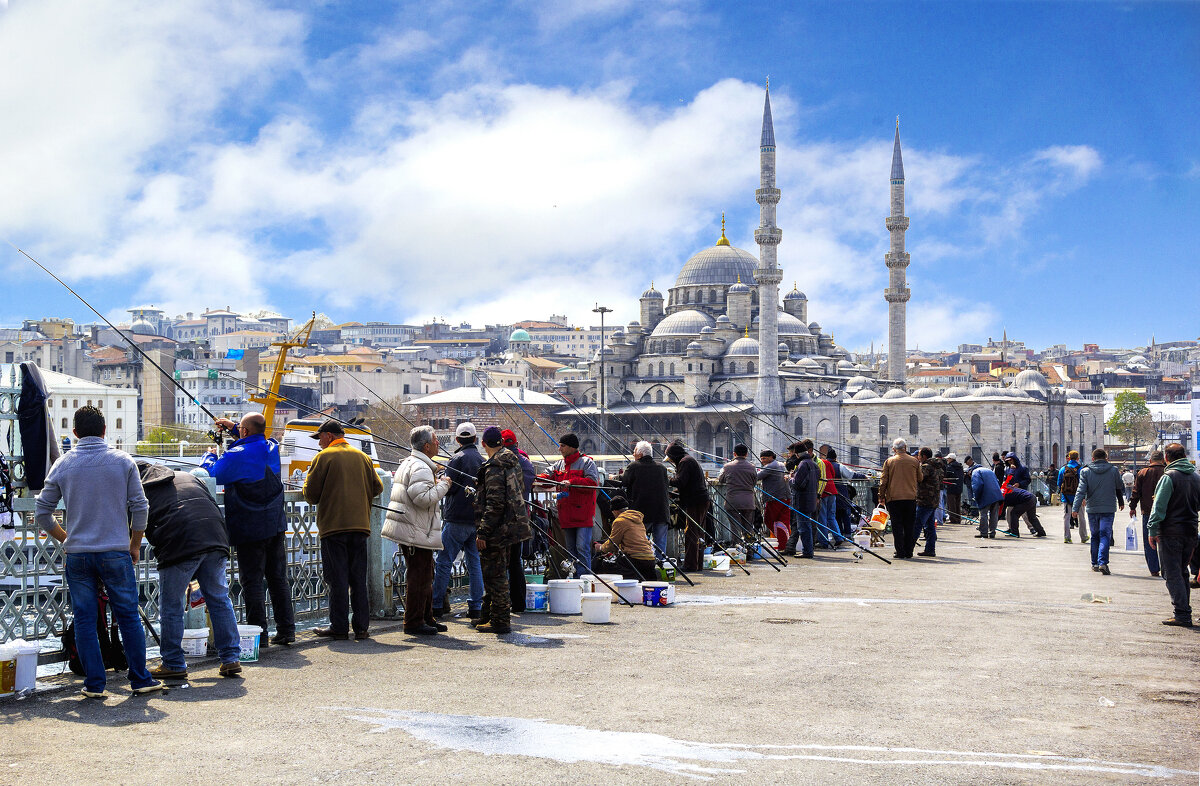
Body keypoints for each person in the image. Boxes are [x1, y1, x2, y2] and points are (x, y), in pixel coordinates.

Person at [35, 406, 161, 698]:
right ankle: (140, 679)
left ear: (75, 433)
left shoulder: (63, 464)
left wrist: (66, 537)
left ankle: (94, 685)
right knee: (128, 615)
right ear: (105, 430)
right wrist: (134, 543)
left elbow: (43, 512)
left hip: (78, 555)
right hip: (115, 552)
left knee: (85, 619)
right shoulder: (122, 461)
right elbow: (141, 506)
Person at [137, 462, 242, 679]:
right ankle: (231, 658)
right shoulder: (187, 476)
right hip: (215, 536)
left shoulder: (139, 488)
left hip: (180, 542)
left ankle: (173, 663)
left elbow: (136, 522)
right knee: (219, 598)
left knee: (172, 605)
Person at [201, 413, 294, 647]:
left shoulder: (236, 455)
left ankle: (259, 636)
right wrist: (235, 428)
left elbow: (213, 474)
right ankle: (286, 630)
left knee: (252, 582)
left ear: (245, 431)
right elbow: (254, 440)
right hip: (274, 525)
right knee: (277, 579)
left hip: (249, 526)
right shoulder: (271, 448)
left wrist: (208, 457)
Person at [303, 420, 384, 640]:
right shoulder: (363, 457)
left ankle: (339, 627)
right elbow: (378, 487)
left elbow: (310, 495)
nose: (319, 443)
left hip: (334, 526)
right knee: (358, 578)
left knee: (337, 578)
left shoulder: (323, 457)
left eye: (320, 438)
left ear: (329, 436)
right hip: (360, 526)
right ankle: (362, 628)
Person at [384, 425, 451, 636]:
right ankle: (414, 621)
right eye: (435, 440)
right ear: (427, 446)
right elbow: (422, 498)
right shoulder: (421, 467)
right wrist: (444, 485)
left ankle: (426, 617)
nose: (439, 443)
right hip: (415, 530)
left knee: (425, 573)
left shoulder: (413, 463)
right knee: (419, 576)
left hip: (413, 527)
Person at [473, 427, 532, 634]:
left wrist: (483, 532)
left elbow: (495, 504)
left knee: (495, 576)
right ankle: (487, 615)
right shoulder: (512, 461)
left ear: (483, 444)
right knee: (496, 572)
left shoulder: (494, 467)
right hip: (513, 526)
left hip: (498, 529)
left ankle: (499, 620)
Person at [432, 422, 485, 620]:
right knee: (474, 563)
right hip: (475, 520)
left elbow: (450, 487)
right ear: (475, 439)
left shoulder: (456, 458)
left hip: (456, 519)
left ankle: (436, 605)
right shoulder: (481, 459)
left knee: (444, 562)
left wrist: (440, 477)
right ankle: (476, 607)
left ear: (457, 440)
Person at [1147, 443, 1200, 627]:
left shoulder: (1169, 477)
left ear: (1167, 459)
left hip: (1170, 532)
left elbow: (1159, 507)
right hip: (1190, 532)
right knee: (1182, 571)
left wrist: (1152, 530)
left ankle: (1182, 614)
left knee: (1171, 573)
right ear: (1184, 455)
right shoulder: (1195, 477)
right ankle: (1184, 611)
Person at [539, 433, 600, 574]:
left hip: (583, 516)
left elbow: (592, 483)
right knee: (571, 551)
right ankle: (575, 581)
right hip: (566, 517)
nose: (560, 449)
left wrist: (572, 482)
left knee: (582, 549)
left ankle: (585, 582)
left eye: (562, 446)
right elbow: (546, 477)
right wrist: (534, 478)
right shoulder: (559, 465)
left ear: (572, 447)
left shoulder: (587, 463)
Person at [1071, 448, 1125, 575]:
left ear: (1093, 458)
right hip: (1108, 508)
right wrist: (1121, 502)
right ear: (1106, 458)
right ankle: (1103, 562)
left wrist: (1075, 508)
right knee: (1105, 535)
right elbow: (1119, 487)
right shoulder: (1114, 470)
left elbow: (1080, 491)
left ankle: (1094, 563)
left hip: (1092, 508)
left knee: (1095, 535)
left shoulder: (1085, 471)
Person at [500, 429, 535, 614]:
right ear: (517, 445)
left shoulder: (498, 463)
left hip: (503, 520)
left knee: (499, 562)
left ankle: (499, 604)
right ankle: (519, 603)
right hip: (521, 518)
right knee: (516, 562)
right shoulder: (526, 464)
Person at [619, 441, 670, 559]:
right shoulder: (661, 468)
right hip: (661, 511)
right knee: (660, 543)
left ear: (640, 454)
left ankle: (645, 564)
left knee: (639, 539)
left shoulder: (634, 466)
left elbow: (624, 481)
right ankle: (660, 567)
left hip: (641, 512)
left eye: (634, 451)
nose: (633, 454)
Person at [666, 442, 709, 572]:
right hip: (700, 500)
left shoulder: (685, 462)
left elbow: (680, 481)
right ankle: (697, 563)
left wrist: (665, 478)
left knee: (691, 532)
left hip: (695, 501)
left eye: (671, 459)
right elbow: (688, 483)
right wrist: (676, 495)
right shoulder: (689, 460)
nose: (672, 462)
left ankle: (690, 565)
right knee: (698, 533)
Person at [594, 495, 658, 581]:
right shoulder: (638, 520)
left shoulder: (619, 521)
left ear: (615, 511)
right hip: (650, 559)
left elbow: (612, 543)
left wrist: (600, 548)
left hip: (635, 559)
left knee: (603, 566)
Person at [879, 438, 921, 559]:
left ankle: (900, 551)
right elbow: (920, 478)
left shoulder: (889, 461)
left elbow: (883, 481)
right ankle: (909, 551)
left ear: (893, 449)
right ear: (905, 448)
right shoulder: (914, 461)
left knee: (897, 526)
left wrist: (881, 496)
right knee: (909, 526)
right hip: (910, 498)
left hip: (894, 498)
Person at [1129, 451, 1167, 577]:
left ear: (1150, 461)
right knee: (1165, 539)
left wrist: (1132, 507)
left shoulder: (1142, 473)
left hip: (1148, 512)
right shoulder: (1168, 472)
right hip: (1167, 513)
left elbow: (1136, 492)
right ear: (1163, 460)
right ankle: (1166, 567)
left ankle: (1154, 569)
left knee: (1149, 540)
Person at [784, 439, 821, 557]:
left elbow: (798, 484)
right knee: (808, 526)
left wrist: (790, 478)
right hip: (811, 499)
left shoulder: (803, 464)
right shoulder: (813, 464)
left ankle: (807, 552)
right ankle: (808, 550)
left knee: (803, 527)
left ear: (797, 454)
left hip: (802, 501)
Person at [718, 444, 758, 541]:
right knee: (748, 528)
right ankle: (749, 550)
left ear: (734, 454)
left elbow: (721, 479)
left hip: (732, 502)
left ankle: (737, 549)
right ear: (746, 454)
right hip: (748, 502)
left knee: (735, 528)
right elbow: (754, 482)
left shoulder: (727, 466)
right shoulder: (752, 467)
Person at [757, 449, 791, 549]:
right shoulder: (781, 464)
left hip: (775, 498)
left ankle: (780, 543)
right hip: (785, 497)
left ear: (771, 457)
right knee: (783, 521)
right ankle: (784, 544)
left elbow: (756, 477)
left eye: (764, 458)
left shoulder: (770, 466)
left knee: (769, 520)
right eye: (761, 458)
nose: (762, 461)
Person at [914, 448, 943, 557]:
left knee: (917, 525)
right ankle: (930, 549)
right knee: (930, 527)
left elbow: (919, 478)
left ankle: (908, 548)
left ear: (924, 457)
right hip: (934, 500)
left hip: (925, 500)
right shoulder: (937, 467)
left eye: (919, 455)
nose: (918, 457)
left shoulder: (926, 467)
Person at [816, 444, 844, 547]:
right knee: (831, 516)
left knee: (822, 517)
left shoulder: (817, 463)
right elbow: (832, 474)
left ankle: (823, 541)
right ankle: (838, 537)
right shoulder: (827, 463)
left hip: (823, 492)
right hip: (832, 491)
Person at [1058, 450, 1087, 544]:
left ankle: (1067, 537)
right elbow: (1083, 484)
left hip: (1066, 497)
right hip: (1078, 497)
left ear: (1069, 458)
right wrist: (1083, 497)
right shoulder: (1080, 469)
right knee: (1081, 517)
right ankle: (1083, 536)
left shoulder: (1063, 469)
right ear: (1078, 458)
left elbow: (1059, 483)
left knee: (1066, 517)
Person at [971, 458, 1004, 538]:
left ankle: (984, 533)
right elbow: (998, 482)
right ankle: (992, 532)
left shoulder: (975, 472)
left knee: (983, 514)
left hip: (986, 496)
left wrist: (976, 497)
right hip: (996, 495)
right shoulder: (989, 471)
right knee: (994, 514)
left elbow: (977, 485)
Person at [943, 453, 964, 525]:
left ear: (951, 459)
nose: (947, 460)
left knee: (951, 504)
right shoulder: (960, 466)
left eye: (948, 459)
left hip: (951, 487)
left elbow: (945, 475)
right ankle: (958, 518)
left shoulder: (949, 467)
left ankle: (953, 519)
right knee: (958, 504)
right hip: (959, 488)